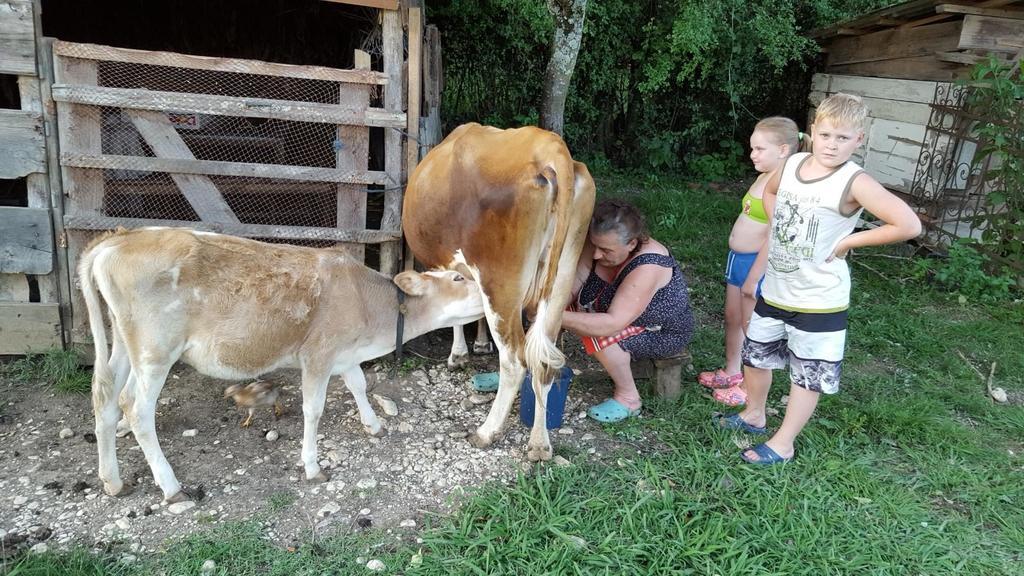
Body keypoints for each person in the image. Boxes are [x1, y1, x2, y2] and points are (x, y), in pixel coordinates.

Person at [715, 93, 921, 464]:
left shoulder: (854, 181)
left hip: (818, 298)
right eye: (826, 135)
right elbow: (773, 192)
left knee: (805, 374)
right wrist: (780, 227)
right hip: (776, 288)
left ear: (859, 140)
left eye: (843, 138)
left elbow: (908, 224)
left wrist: (849, 241)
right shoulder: (792, 163)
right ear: (814, 131)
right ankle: (754, 414)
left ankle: (784, 443)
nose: (832, 145)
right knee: (756, 357)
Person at [699, 117, 806, 407]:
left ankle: (749, 387)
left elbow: (776, 234)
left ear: (783, 149)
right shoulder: (764, 175)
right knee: (733, 318)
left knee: (753, 327)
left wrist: (753, 277)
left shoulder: (783, 184)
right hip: (737, 259)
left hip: (754, 265)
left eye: (759, 149)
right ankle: (732, 371)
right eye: (752, 148)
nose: (752, 154)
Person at [561, 199, 695, 422]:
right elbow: (576, 282)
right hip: (614, 316)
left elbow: (613, 323)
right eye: (593, 246)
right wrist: (555, 304)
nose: (595, 254)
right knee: (554, 301)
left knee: (599, 334)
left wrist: (554, 315)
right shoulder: (600, 242)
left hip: (660, 331)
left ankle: (629, 398)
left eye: (605, 250)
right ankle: (523, 366)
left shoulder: (649, 265)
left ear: (632, 244)